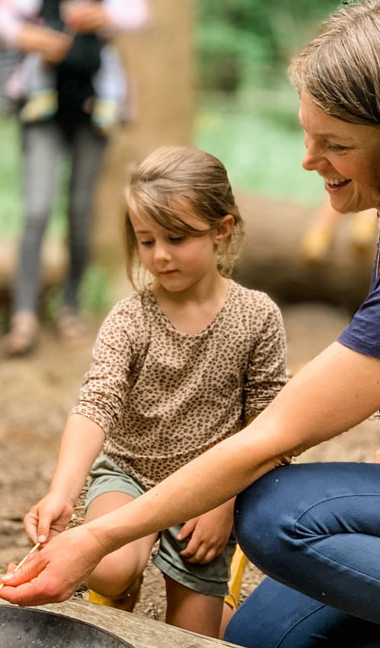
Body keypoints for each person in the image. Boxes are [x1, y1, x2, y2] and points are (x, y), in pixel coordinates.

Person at [0, 0, 380, 646]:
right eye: (308, 134)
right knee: (261, 638)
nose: (308, 160)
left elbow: (272, 435)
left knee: (274, 511)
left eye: (335, 145)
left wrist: (96, 537)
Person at [16, 145, 287, 637]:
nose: (159, 255)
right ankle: (115, 586)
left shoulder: (258, 316)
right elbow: (96, 401)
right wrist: (63, 490)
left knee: (190, 637)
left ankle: (220, 609)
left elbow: (269, 422)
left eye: (176, 238)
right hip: (130, 472)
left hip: (210, 485)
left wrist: (224, 502)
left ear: (221, 229)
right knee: (113, 566)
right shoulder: (129, 317)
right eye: (146, 240)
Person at [0, 0, 148, 355]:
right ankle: (24, 315)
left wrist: (104, 16)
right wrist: (31, 37)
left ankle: (69, 306)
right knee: (36, 210)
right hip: (39, 105)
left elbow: (139, 12)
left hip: (96, 107)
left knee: (79, 210)